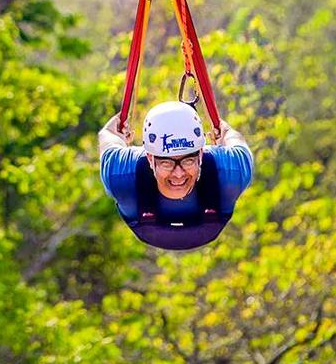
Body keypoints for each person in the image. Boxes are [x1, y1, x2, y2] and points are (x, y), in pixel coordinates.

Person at [99, 100, 253, 251]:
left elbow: (235, 139)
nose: (178, 174)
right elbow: (107, 137)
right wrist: (225, 133)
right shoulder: (120, 176)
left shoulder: (231, 172)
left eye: (188, 161)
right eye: (166, 163)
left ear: (201, 154)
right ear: (150, 159)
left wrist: (226, 132)